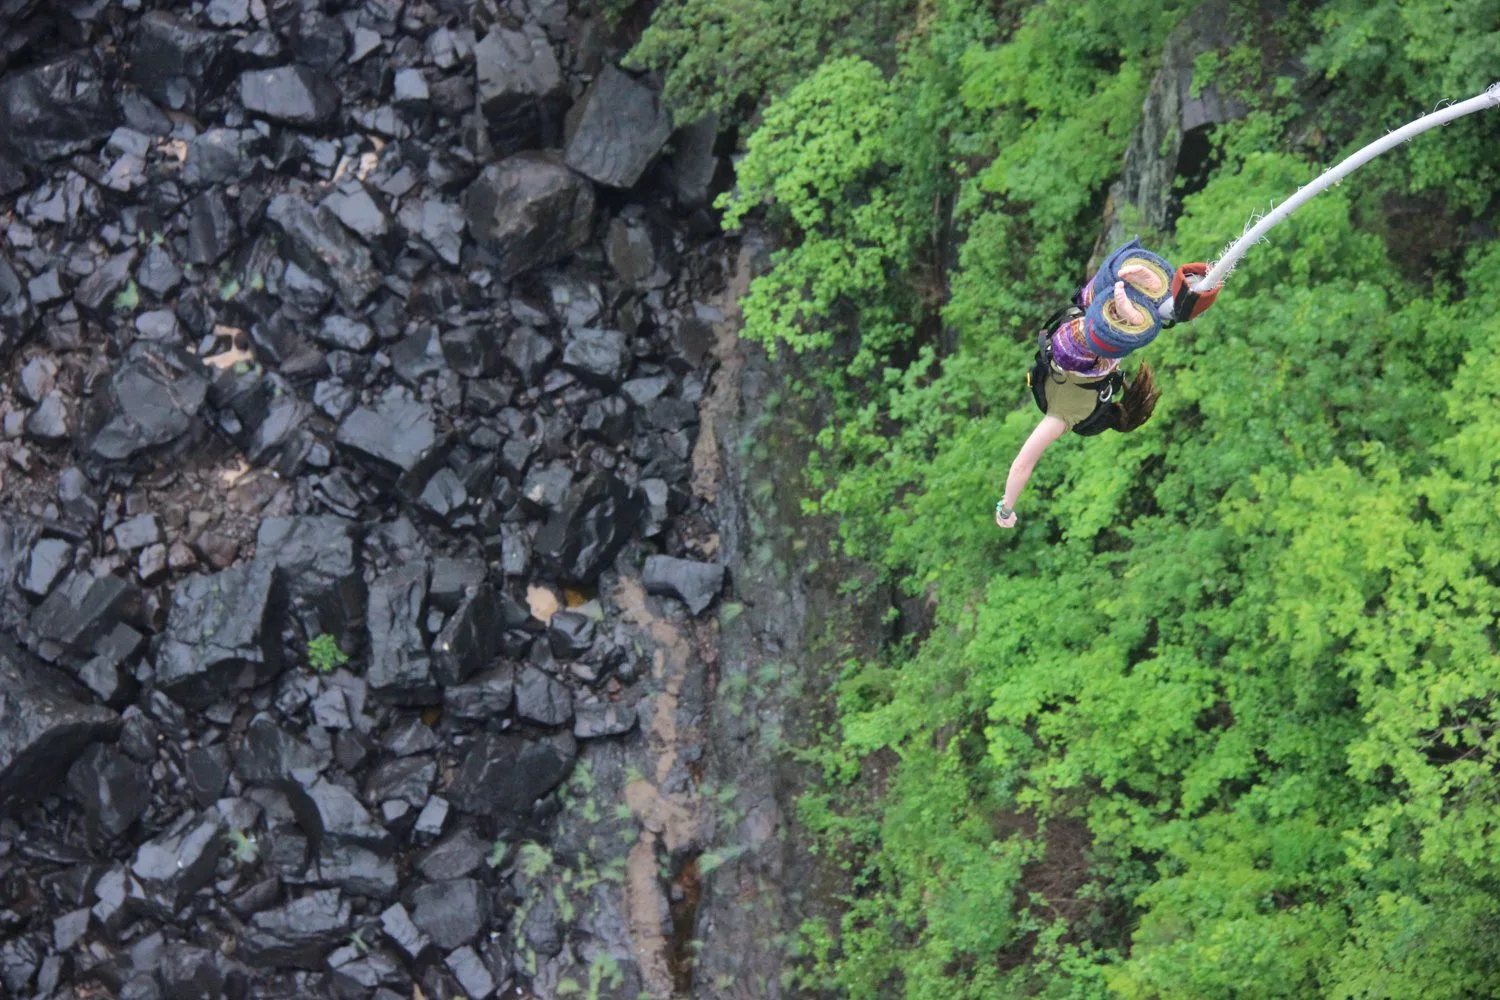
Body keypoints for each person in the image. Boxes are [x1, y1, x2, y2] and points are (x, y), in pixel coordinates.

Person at [997, 240, 1203, 529]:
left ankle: (1145, 305)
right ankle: (1131, 300)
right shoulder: (1061, 417)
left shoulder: (1101, 393)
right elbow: (1022, 464)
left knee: (1111, 312)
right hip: (1072, 346)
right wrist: (1004, 508)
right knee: (1093, 312)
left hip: (1105, 344)